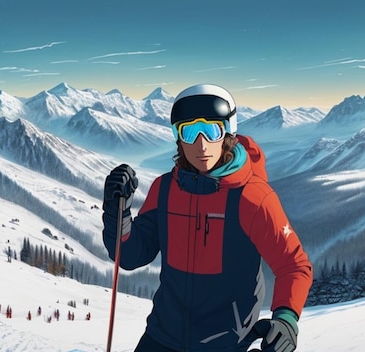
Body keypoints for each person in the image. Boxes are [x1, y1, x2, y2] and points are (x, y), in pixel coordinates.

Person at [102, 84, 313, 352]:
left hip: (227, 344)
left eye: (212, 130)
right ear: (178, 137)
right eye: (189, 132)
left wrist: (286, 318)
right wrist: (115, 210)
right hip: (161, 337)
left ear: (228, 132)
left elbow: (293, 265)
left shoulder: (252, 197)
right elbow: (130, 256)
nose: (201, 144)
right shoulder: (165, 189)